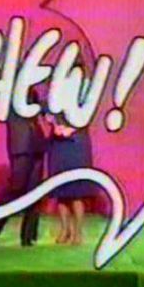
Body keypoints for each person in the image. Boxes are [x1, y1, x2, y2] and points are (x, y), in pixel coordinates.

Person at [0, 89, 47, 247]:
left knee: (35, 191)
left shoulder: (31, 89)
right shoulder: (8, 88)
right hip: (20, 144)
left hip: (37, 142)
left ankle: (28, 236)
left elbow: (41, 107)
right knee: (17, 187)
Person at [47, 64, 95, 246]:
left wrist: (72, 129)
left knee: (76, 191)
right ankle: (64, 230)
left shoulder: (86, 90)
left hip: (76, 144)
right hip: (58, 146)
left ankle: (78, 233)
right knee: (61, 191)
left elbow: (88, 112)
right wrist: (55, 125)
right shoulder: (56, 89)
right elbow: (48, 110)